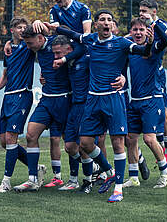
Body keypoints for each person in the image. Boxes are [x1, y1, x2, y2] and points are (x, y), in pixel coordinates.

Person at [45, 9, 154, 202]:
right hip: (92, 99)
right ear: (96, 24)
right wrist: (54, 27)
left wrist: (150, 43)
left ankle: (118, 188)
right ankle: (109, 170)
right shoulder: (90, 40)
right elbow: (71, 34)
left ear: (113, 25)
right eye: (102, 20)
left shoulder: (122, 43)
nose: (106, 23)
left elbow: (143, 51)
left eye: (109, 20)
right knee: (86, 143)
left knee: (118, 143)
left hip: (114, 98)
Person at [50, 35, 125, 193]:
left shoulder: (87, 58)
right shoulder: (66, 64)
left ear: (69, 50)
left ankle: (89, 180)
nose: (56, 57)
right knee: (70, 147)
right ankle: (102, 169)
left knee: (86, 144)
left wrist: (122, 77)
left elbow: (107, 65)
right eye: (54, 53)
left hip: (89, 105)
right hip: (73, 106)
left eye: (58, 53)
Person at [0, 17, 46, 193]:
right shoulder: (8, 50)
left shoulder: (28, 47)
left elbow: (42, 40)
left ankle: (6, 182)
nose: (22, 30)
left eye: (24, 27)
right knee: (4, 142)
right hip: (8, 97)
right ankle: (35, 167)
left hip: (23, 95)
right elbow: (5, 76)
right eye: (19, 27)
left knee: (11, 138)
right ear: (11, 30)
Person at [13, 25, 71, 192]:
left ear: (40, 38)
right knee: (31, 134)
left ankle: (83, 175)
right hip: (46, 100)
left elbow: (77, 40)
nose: (28, 47)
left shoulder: (57, 43)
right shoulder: (34, 47)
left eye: (30, 43)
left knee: (72, 145)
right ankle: (33, 178)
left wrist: (48, 25)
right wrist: (9, 43)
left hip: (65, 99)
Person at [126, 17, 167, 189]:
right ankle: (133, 177)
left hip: (152, 100)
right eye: (135, 30)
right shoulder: (130, 48)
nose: (138, 33)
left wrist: (155, 23)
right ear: (130, 32)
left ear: (147, 31)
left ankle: (165, 171)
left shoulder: (155, 46)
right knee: (130, 139)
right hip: (135, 100)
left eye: (142, 29)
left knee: (149, 139)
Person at [139, 0, 167, 168]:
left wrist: (156, 29)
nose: (141, 13)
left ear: (154, 11)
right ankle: (164, 148)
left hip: (156, 74)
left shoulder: (160, 23)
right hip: (141, 72)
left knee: (164, 113)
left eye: (144, 11)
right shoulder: (141, 26)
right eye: (139, 10)